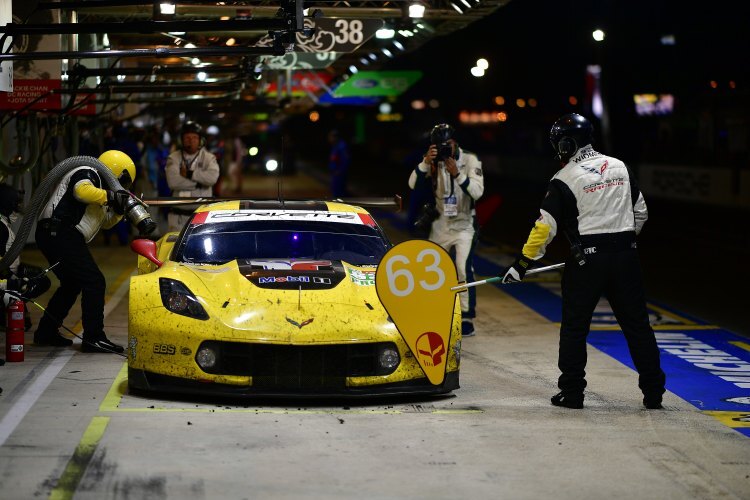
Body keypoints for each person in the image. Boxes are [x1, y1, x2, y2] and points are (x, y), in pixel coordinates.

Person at [501, 113, 666, 410]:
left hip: (587, 260)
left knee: (575, 328)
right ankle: (654, 392)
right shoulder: (620, 166)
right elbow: (640, 211)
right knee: (638, 326)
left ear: (566, 144)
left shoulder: (564, 178)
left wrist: (523, 263)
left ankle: (572, 393)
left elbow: (544, 227)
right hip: (626, 255)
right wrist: (622, 240)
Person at [33, 150, 136, 353]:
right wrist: (111, 196)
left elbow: (104, 223)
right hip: (60, 231)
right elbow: (81, 191)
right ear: (117, 173)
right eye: (122, 182)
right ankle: (93, 337)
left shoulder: (99, 190)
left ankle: (46, 332)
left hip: (55, 233)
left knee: (72, 284)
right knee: (94, 281)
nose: (120, 187)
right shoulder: (88, 172)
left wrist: (119, 209)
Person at [408, 123, 484, 337]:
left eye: (447, 144)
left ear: (455, 142)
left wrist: (457, 174)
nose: (444, 148)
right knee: (431, 271)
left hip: (463, 224)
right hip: (441, 223)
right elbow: (412, 184)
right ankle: (431, 311)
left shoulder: (470, 159)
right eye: (439, 145)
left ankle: (467, 317)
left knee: (462, 268)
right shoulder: (432, 161)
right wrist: (425, 162)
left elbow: (477, 192)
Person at [0, 183, 51, 331]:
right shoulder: (0, 228)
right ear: (6, 204)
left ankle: (14, 303)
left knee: (40, 278)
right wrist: (14, 283)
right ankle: (6, 307)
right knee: (33, 283)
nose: (19, 207)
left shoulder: (3, 223)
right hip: (4, 277)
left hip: (9, 271)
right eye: (16, 203)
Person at [165, 121, 220, 232]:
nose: (191, 141)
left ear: (200, 140)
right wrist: (199, 184)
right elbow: (173, 182)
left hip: (202, 214)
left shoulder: (209, 158)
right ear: (181, 140)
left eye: (194, 137)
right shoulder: (173, 158)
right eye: (187, 138)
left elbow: (212, 179)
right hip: (178, 216)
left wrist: (190, 174)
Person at [328, 129, 350, 198]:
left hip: (339, 174)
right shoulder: (335, 146)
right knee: (335, 190)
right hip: (335, 172)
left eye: (330, 137)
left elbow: (346, 160)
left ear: (335, 137)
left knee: (339, 192)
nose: (329, 139)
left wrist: (340, 171)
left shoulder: (342, 146)